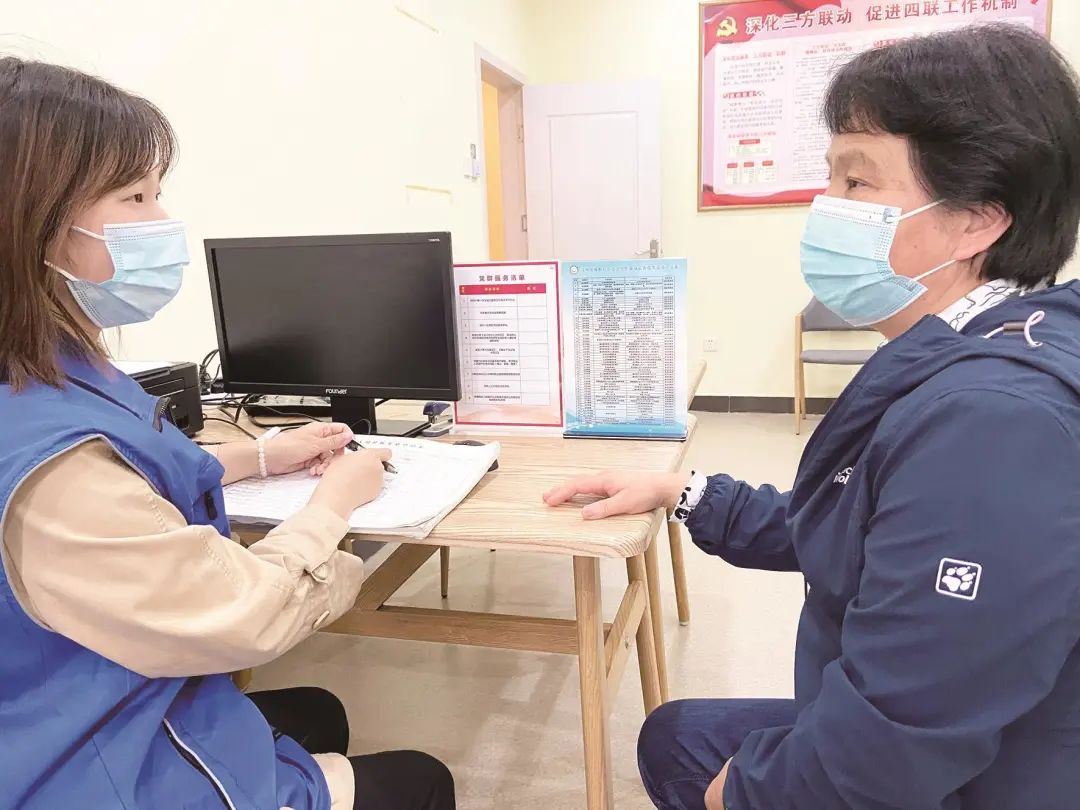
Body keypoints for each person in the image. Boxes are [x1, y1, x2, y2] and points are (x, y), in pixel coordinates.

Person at [545, 24, 1080, 810]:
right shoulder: (975, 347)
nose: (827, 209)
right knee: (675, 735)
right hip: (954, 727)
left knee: (704, 763)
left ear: (976, 218)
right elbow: (860, 520)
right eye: (828, 180)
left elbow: (898, 739)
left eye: (857, 182)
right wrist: (685, 493)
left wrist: (747, 794)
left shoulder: (995, 425)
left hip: (984, 779)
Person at [0, 58, 454, 810]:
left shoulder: (45, 366)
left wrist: (265, 454)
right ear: (31, 221)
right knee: (420, 777)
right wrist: (334, 505)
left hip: (65, 689)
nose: (161, 221)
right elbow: (250, 615)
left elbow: (133, 471)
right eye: (136, 196)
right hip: (82, 767)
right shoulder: (54, 471)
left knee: (318, 711)